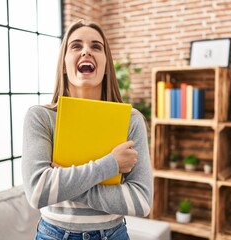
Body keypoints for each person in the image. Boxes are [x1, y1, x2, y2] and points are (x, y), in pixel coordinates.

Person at [22, 19, 153, 240]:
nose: (86, 51)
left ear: (105, 65)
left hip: (114, 234)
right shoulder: (40, 117)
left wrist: (64, 183)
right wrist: (111, 164)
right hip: (53, 234)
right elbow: (37, 192)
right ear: (64, 65)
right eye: (76, 46)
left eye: (96, 46)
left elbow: (141, 202)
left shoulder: (132, 120)